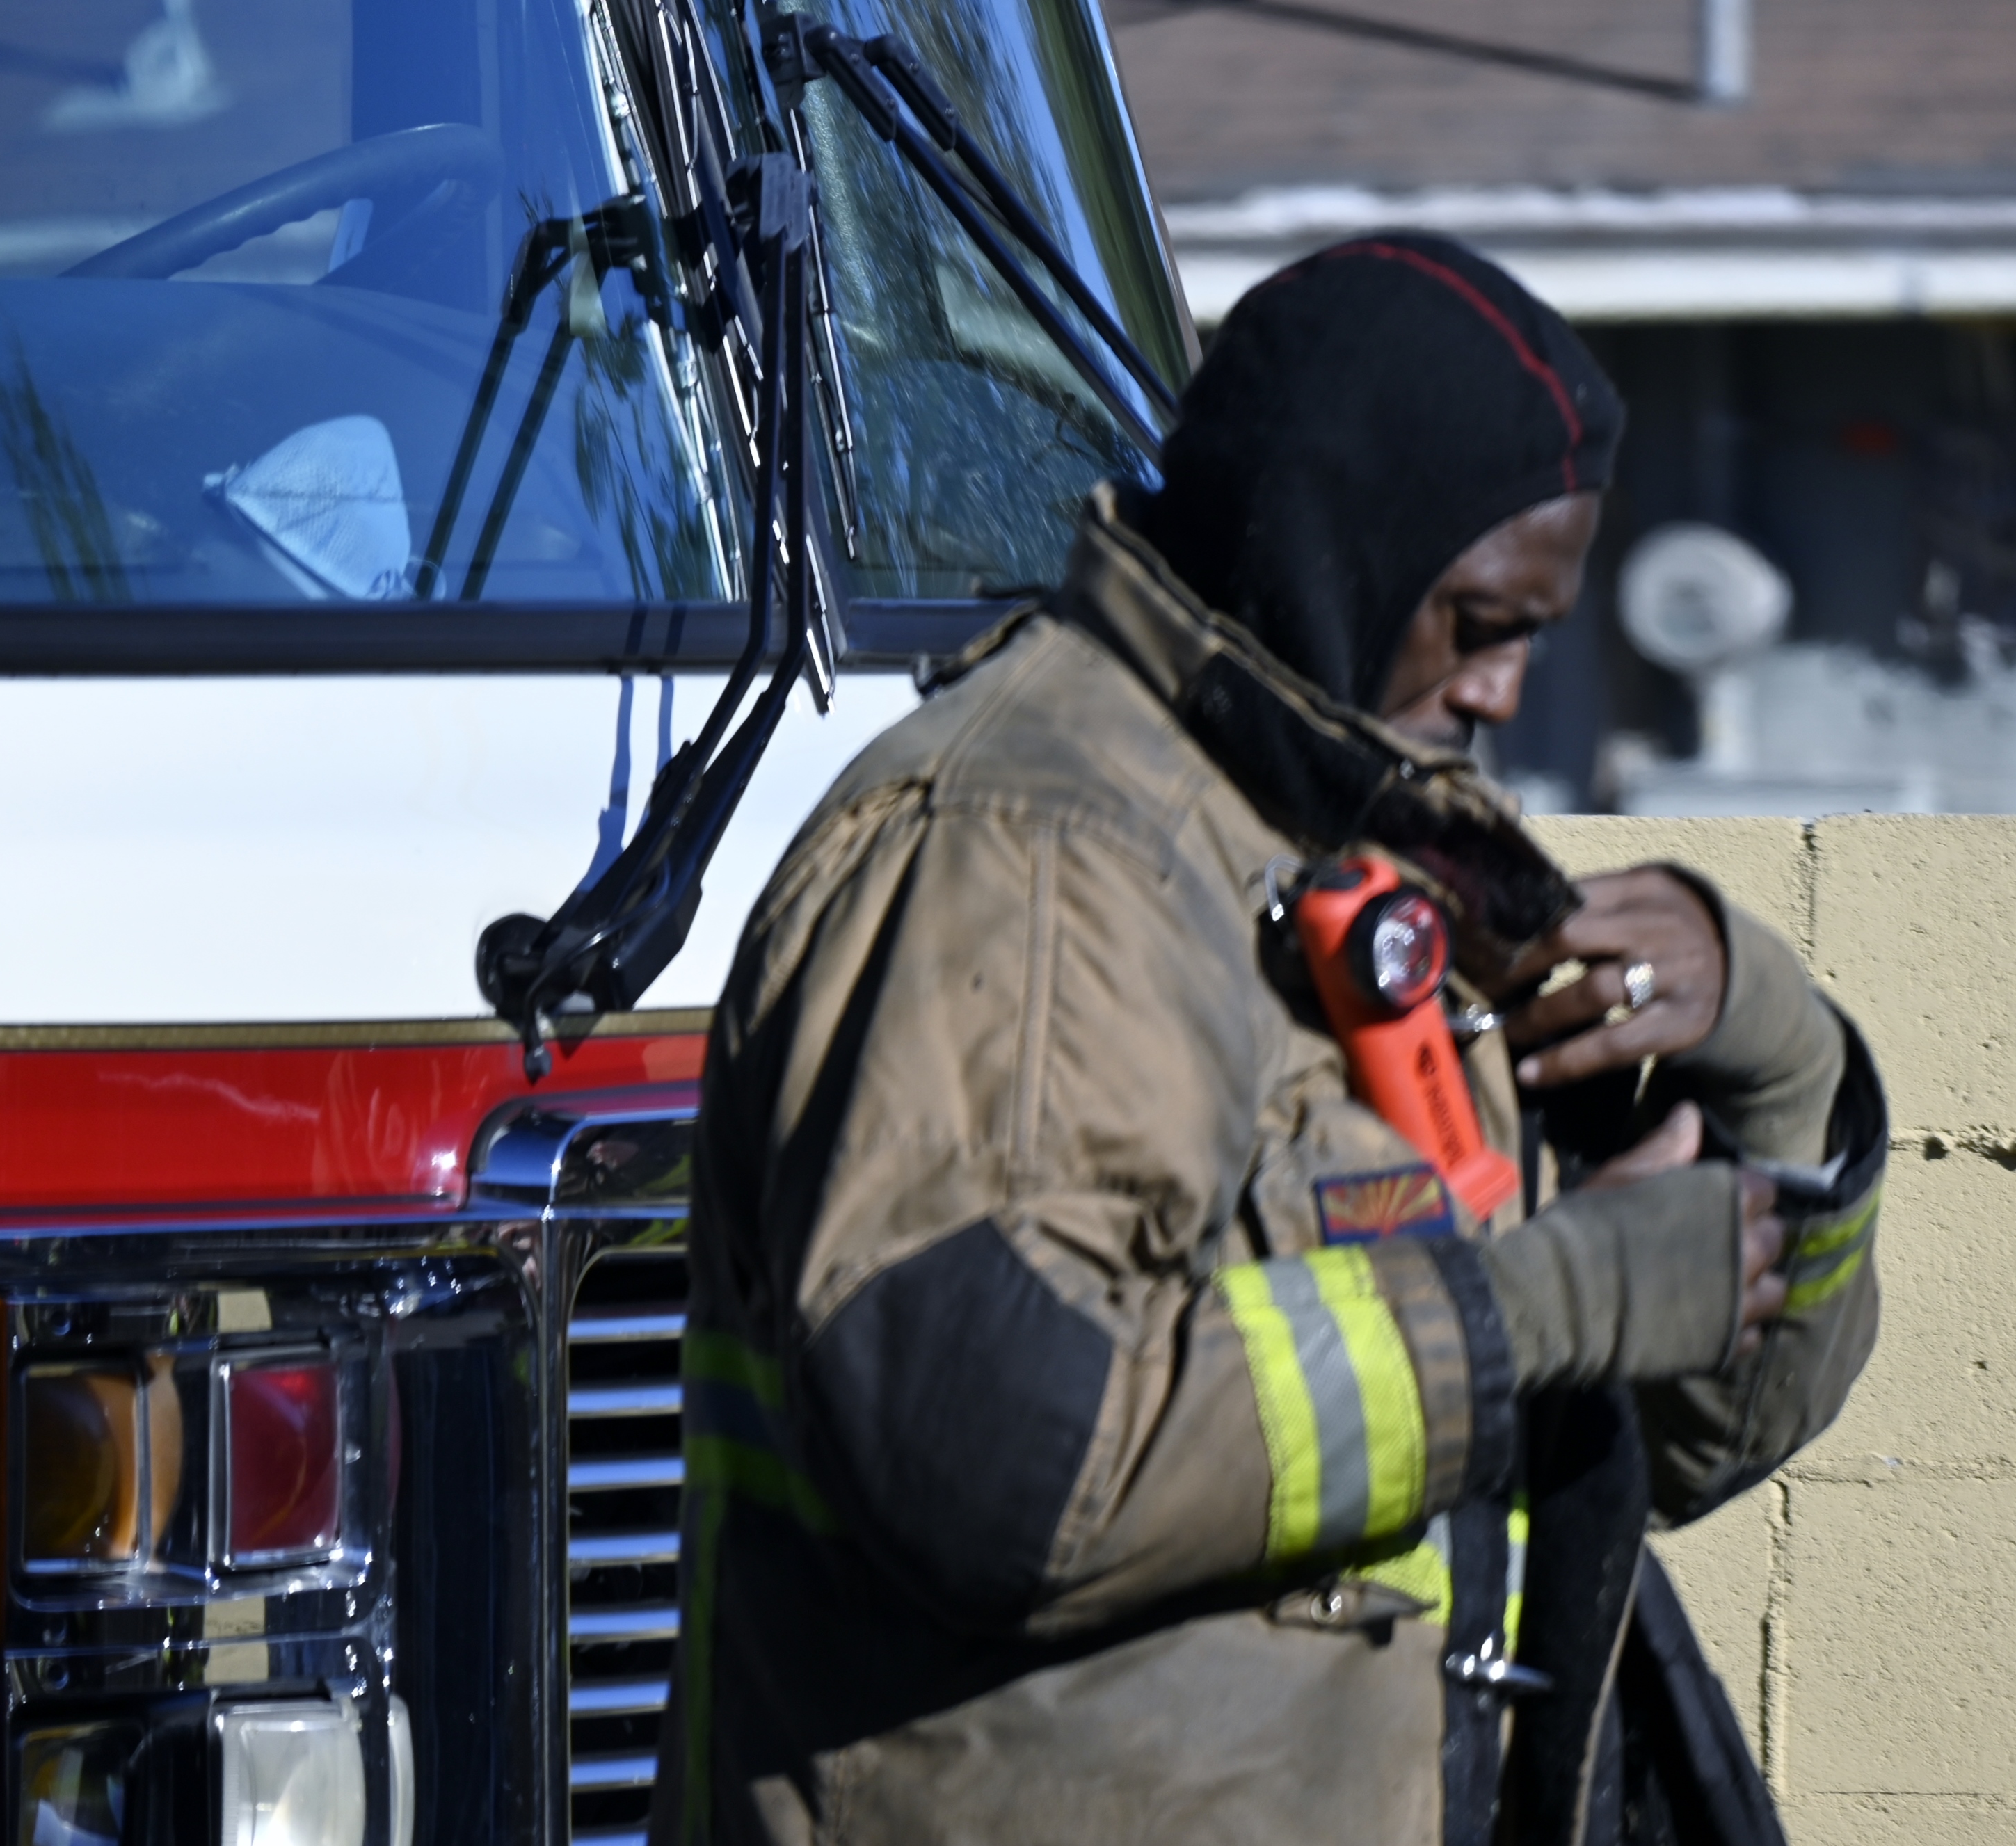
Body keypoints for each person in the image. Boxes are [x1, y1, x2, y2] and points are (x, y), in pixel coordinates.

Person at [655, 234, 1885, 1846]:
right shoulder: (1026, 854)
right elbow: (993, 1460)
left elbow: (1696, 1437)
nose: (1505, 689)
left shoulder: (1359, 852)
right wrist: (1553, 1298)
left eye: (1534, 632)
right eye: (1478, 618)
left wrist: (1775, 1061)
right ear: (1337, 544)